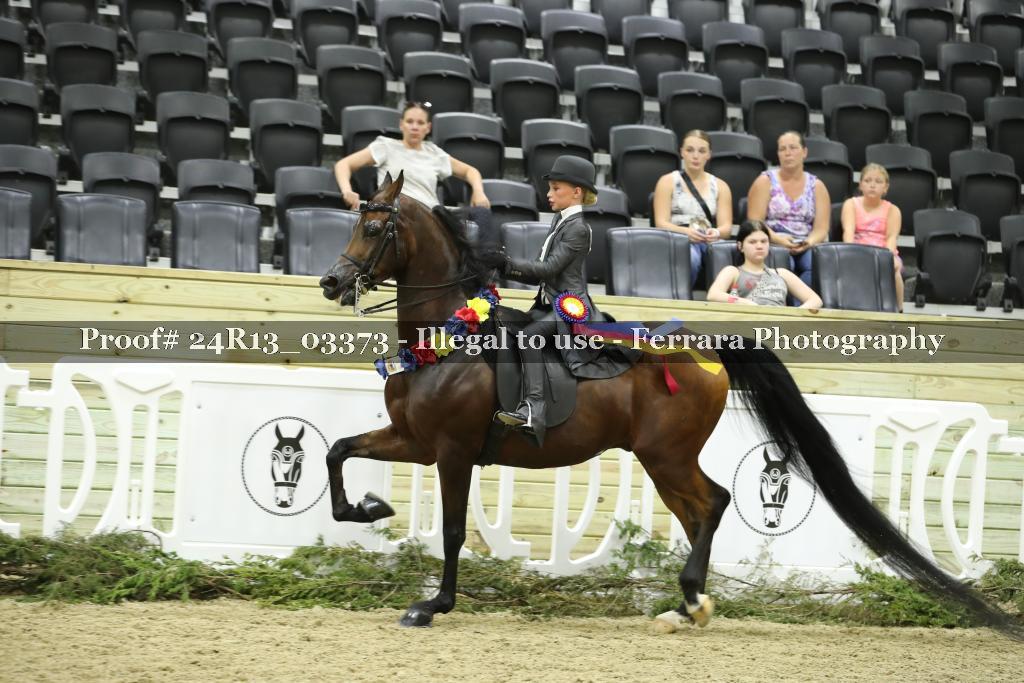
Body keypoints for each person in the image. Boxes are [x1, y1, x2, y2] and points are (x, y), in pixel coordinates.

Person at [481, 156, 601, 442]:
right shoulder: (559, 222)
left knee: (528, 337)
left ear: (577, 192)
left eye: (556, 188)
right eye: (550, 188)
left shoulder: (577, 228)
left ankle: (534, 408)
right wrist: (504, 266)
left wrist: (507, 264)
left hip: (569, 308)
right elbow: (539, 275)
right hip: (548, 303)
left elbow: (548, 269)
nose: (549, 194)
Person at [333, 101, 495, 245]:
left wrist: (478, 192)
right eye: (410, 121)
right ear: (401, 124)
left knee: (481, 213)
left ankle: (485, 264)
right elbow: (344, 164)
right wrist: (347, 190)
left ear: (428, 128)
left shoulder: (434, 153)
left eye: (420, 122)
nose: (415, 127)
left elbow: (470, 171)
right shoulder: (385, 146)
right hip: (397, 213)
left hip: (431, 217)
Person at [746, 131, 831, 287]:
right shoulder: (765, 181)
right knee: (784, 264)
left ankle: (801, 302)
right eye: (782, 149)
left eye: (793, 147)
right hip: (773, 240)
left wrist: (808, 242)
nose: (787, 153)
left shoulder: (817, 186)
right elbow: (756, 223)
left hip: (805, 242)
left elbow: (821, 229)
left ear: (804, 152)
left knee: (815, 265)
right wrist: (779, 240)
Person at [652, 130, 734, 287]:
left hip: (707, 238)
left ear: (709, 154)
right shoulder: (667, 181)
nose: (695, 156)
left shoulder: (721, 186)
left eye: (702, 151)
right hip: (678, 236)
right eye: (690, 150)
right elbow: (661, 223)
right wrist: (686, 232)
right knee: (691, 258)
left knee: (725, 259)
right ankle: (681, 297)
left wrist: (716, 232)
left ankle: (720, 298)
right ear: (682, 152)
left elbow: (726, 228)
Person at [707, 220, 822, 308]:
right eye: (752, 242)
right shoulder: (733, 272)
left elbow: (815, 300)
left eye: (764, 241)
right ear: (740, 246)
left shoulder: (782, 274)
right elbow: (713, 295)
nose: (759, 246)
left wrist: (793, 316)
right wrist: (745, 303)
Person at [841, 163, 904, 311]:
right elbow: (848, 233)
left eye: (878, 181)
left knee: (894, 266)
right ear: (860, 185)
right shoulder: (850, 204)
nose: (872, 185)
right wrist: (851, 255)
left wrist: (886, 258)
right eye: (868, 180)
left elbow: (891, 238)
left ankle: (899, 309)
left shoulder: (893, 210)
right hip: (857, 251)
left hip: (884, 252)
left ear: (886, 187)